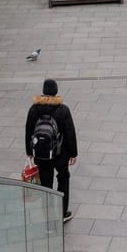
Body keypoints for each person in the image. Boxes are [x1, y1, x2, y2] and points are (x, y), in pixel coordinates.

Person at [24, 78, 78, 223]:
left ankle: (48, 219)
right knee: (63, 179)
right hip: (60, 154)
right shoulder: (63, 109)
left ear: (43, 91)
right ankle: (62, 213)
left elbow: (29, 130)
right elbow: (70, 132)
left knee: (46, 186)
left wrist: (29, 151)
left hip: (41, 155)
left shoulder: (34, 109)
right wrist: (73, 153)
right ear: (55, 91)